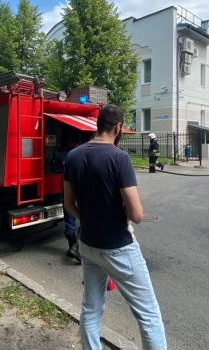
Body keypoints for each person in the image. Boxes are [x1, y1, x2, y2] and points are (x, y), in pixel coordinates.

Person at [62, 105, 166, 350]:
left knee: (91, 308)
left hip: (87, 245)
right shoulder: (120, 158)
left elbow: (68, 203)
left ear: (97, 124)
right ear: (118, 127)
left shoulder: (73, 157)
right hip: (119, 247)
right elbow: (137, 215)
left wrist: (87, 218)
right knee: (148, 315)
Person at [58, 129, 82, 261]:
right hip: (80, 189)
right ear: (79, 142)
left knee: (69, 216)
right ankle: (76, 248)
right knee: (85, 216)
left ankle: (71, 247)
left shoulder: (62, 155)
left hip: (66, 189)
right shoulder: (82, 154)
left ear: (67, 141)